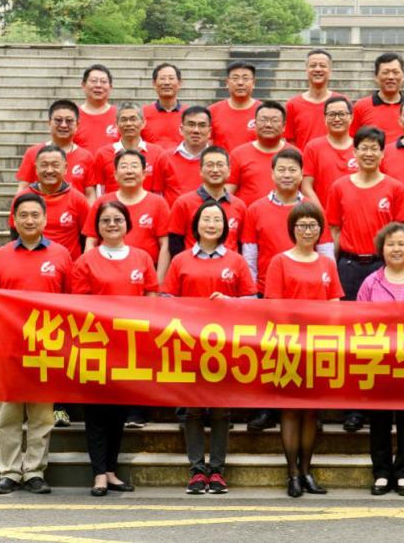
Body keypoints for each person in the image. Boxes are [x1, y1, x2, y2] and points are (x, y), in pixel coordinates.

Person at [0, 193, 72, 495]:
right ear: (14, 220)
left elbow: (72, 300)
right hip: (9, 348)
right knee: (8, 415)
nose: (29, 220)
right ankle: (9, 471)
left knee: (42, 417)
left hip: (47, 348)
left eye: (35, 214)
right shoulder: (1, 255)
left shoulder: (61, 254)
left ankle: (35, 471)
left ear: (45, 219)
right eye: (23, 215)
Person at [161, 200, 256, 495]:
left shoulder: (236, 261)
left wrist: (230, 303)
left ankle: (216, 471)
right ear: (196, 225)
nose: (211, 224)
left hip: (224, 347)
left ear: (225, 226)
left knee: (220, 411)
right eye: (206, 219)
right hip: (190, 345)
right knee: (192, 410)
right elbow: (166, 299)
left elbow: (252, 300)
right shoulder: (181, 260)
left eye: (217, 219)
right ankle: (196, 471)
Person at [242, 149, 335, 433]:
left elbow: (326, 252)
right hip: (269, 294)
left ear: (301, 174)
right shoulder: (256, 208)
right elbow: (250, 254)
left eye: (292, 170)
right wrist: (253, 293)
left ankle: (312, 411)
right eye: (281, 169)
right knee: (271, 354)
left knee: (309, 356)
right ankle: (266, 409)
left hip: (310, 297)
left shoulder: (312, 209)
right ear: (272, 174)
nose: (286, 175)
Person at [71, 201, 159, 497]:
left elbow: (151, 297)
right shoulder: (86, 260)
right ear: (97, 226)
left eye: (118, 219)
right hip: (96, 344)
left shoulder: (142, 257)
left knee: (118, 413)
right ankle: (98, 473)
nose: (112, 225)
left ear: (127, 224)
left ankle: (111, 470)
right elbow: (80, 304)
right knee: (96, 412)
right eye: (105, 220)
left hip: (129, 346)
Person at [264, 201, 343, 497]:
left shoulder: (327, 264)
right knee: (290, 409)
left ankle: (307, 470)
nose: (308, 231)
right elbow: (274, 306)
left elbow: (335, 305)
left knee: (311, 411)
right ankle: (292, 473)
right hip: (289, 345)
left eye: (313, 226)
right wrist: (296, 337)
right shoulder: (279, 262)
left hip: (318, 346)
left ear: (320, 230)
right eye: (302, 225)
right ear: (292, 229)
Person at [356, 223, 404, 496]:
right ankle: (381, 472)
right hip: (378, 360)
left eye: (401, 244)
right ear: (382, 249)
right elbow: (359, 322)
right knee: (378, 419)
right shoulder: (370, 282)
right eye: (390, 244)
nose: (396, 249)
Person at [326, 126, 404, 301]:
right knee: (347, 315)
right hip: (348, 266)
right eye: (364, 148)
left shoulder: (396, 188)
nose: (369, 154)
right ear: (354, 152)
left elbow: (400, 233)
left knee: (383, 316)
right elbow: (335, 231)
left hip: (382, 265)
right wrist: (332, 266)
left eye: (374, 149)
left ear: (382, 153)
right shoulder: (339, 187)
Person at [83, 150, 170, 279]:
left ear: (144, 173)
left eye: (134, 166)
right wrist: (92, 273)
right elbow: (91, 241)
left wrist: (159, 281)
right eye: (124, 167)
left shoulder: (158, 203)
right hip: (105, 274)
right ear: (115, 174)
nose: (129, 171)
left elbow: (165, 245)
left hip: (146, 274)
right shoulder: (102, 202)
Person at [11, 145, 90, 260]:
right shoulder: (22, 198)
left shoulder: (78, 199)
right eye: (44, 165)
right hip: (31, 263)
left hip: (68, 266)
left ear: (65, 168)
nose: (49, 170)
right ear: (36, 168)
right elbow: (15, 235)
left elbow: (87, 237)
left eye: (55, 165)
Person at [168, 145, 247, 255]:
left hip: (230, 264)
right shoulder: (183, 203)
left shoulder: (239, 206)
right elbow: (175, 242)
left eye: (220, 165)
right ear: (200, 170)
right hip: (193, 264)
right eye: (209, 165)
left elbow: (243, 244)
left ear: (229, 170)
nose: (215, 170)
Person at [16, 99, 95, 200]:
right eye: (58, 120)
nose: (63, 125)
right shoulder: (33, 153)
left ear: (77, 125)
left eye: (69, 121)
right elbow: (23, 188)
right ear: (49, 122)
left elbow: (90, 194)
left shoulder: (86, 156)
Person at [89, 102, 167, 197]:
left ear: (143, 123)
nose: (129, 124)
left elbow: (159, 192)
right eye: (124, 120)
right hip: (113, 206)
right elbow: (100, 191)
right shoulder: (103, 154)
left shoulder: (158, 153)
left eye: (133, 119)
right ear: (116, 125)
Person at [229, 101, 296, 206]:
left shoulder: (295, 155)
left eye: (274, 120)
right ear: (255, 124)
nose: (268, 125)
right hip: (247, 214)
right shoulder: (238, 154)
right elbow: (228, 192)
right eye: (263, 120)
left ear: (284, 126)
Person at [302, 96, 357, 207]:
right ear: (325, 118)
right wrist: (321, 213)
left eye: (341, 114)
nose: (337, 119)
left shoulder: (361, 148)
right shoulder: (313, 147)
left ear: (351, 117)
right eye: (332, 114)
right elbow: (306, 186)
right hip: (323, 213)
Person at [285, 49, 344, 148]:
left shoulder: (342, 102)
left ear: (330, 70)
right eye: (313, 65)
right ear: (306, 70)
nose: (317, 69)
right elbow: (290, 141)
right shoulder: (292, 105)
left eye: (322, 65)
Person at [350, 52, 404, 140]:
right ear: (376, 77)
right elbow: (351, 139)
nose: (391, 77)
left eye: (395, 72)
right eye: (385, 72)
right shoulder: (360, 107)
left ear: (403, 76)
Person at [162, 106, 212, 205]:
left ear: (209, 131)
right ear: (181, 129)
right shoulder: (166, 157)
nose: (196, 130)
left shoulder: (218, 160)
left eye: (202, 125)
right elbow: (158, 194)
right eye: (191, 124)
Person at [209, 61, 261, 153]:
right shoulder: (212, 111)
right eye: (235, 78)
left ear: (253, 83)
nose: (240, 83)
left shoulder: (264, 112)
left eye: (245, 79)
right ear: (227, 82)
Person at [74, 64, 119, 154]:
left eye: (103, 81)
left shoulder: (120, 115)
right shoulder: (72, 116)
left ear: (110, 87)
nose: (98, 85)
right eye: (93, 81)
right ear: (83, 85)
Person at [141, 62, 185, 149]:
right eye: (162, 78)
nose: (167, 82)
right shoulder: (142, 114)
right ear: (154, 84)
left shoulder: (189, 115)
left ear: (179, 83)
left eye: (171, 78)